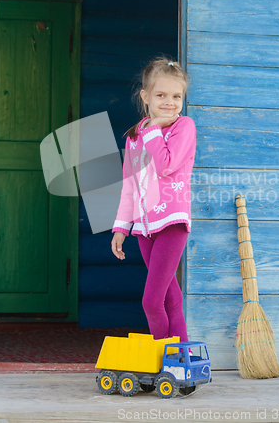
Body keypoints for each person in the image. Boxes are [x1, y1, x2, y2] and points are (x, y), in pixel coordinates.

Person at [111, 56, 196, 342]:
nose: (169, 102)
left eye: (176, 96)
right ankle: (180, 357)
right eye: (161, 95)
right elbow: (129, 186)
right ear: (145, 96)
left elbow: (166, 165)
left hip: (172, 222)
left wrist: (154, 130)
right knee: (170, 297)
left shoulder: (183, 127)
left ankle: (162, 360)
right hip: (145, 228)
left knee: (151, 301)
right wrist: (122, 227)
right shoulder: (135, 136)